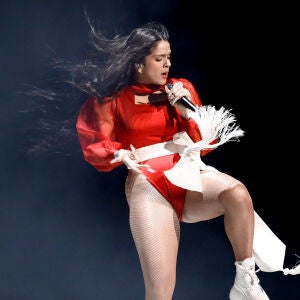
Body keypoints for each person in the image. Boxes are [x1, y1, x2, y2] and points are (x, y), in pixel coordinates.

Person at [75, 21, 298, 299]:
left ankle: (245, 280)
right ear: (138, 64)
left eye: (169, 58)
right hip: (148, 184)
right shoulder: (113, 101)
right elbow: (95, 141)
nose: (167, 65)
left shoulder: (181, 89)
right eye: (159, 59)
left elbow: (205, 145)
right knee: (161, 289)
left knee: (237, 194)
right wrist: (118, 152)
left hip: (187, 173)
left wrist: (188, 112)